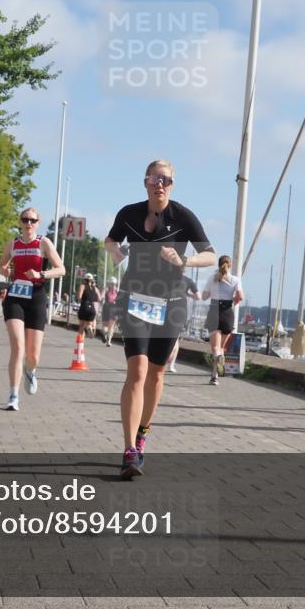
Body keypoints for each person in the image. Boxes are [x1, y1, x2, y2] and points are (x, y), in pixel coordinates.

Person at [105, 159, 216, 478]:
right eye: (155, 178)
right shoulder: (128, 213)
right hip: (136, 298)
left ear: (172, 184)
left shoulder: (183, 215)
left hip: (172, 301)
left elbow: (210, 253)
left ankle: (142, 434)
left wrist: (185, 259)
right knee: (137, 370)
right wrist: (115, 252)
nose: (161, 184)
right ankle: (129, 451)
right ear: (145, 182)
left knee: (156, 372)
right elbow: (110, 240)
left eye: (166, 179)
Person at [0, 207, 65, 411]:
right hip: (16, 296)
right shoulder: (13, 243)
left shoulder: (43, 242)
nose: (28, 224)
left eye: (32, 220)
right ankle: (13, 395)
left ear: (38, 222)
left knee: (33, 355)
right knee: (18, 347)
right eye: (25, 220)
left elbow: (61, 269)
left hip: (36, 296)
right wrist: (5, 270)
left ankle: (31, 370)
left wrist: (41, 274)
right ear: (20, 221)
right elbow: (1, 266)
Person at [195, 256, 244, 386]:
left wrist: (211, 293)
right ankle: (215, 374)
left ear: (218, 265)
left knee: (215, 348)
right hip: (228, 312)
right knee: (221, 347)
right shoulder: (235, 280)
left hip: (214, 311)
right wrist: (233, 302)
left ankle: (215, 374)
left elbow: (205, 296)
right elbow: (240, 297)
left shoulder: (212, 278)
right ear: (230, 265)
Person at [164, 275, 200, 372]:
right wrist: (188, 294)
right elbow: (198, 297)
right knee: (175, 339)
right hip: (180, 312)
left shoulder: (166, 278)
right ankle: (171, 365)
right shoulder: (188, 280)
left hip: (165, 309)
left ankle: (162, 360)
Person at [76, 273, 101, 338]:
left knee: (81, 326)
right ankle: (89, 327)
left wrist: (78, 293)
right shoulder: (94, 288)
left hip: (84, 306)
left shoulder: (83, 285)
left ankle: (80, 345)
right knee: (88, 323)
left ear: (84, 279)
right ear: (91, 280)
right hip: (92, 308)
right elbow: (99, 297)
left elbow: (79, 296)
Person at [101, 277, 120, 346]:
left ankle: (104, 334)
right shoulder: (117, 291)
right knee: (111, 326)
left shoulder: (106, 289)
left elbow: (101, 297)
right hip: (114, 308)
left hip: (106, 307)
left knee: (105, 325)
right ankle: (108, 341)